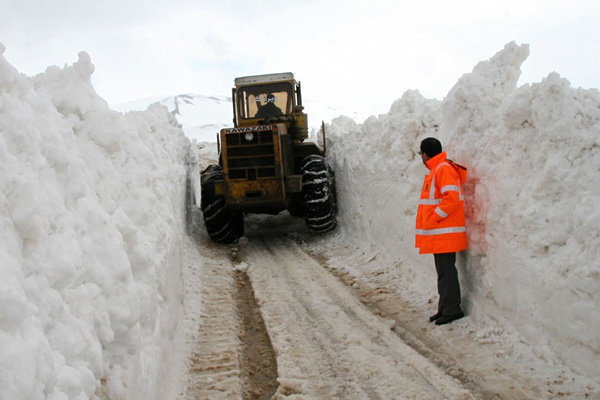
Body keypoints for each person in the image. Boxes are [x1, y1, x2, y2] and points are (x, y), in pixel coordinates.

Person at [415, 137, 468, 325]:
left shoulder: (443, 169)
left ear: (426, 153)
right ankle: (444, 308)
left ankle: (453, 310)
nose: (420, 157)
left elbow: (452, 198)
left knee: (447, 273)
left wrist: (434, 216)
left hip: (445, 233)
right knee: (444, 273)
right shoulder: (437, 169)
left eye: (420, 153)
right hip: (440, 234)